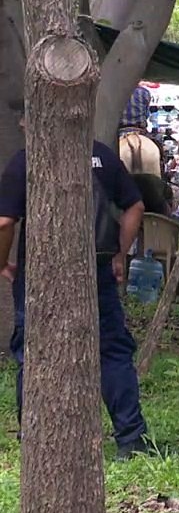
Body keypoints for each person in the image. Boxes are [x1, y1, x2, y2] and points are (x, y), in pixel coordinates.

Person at [0, 106, 155, 459]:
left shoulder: (24, 162)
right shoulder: (100, 155)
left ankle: (34, 439)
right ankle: (131, 439)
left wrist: (3, 264)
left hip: (40, 277)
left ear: (33, 124)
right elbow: (135, 207)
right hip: (95, 271)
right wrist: (119, 254)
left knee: (32, 354)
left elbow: (5, 223)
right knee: (113, 352)